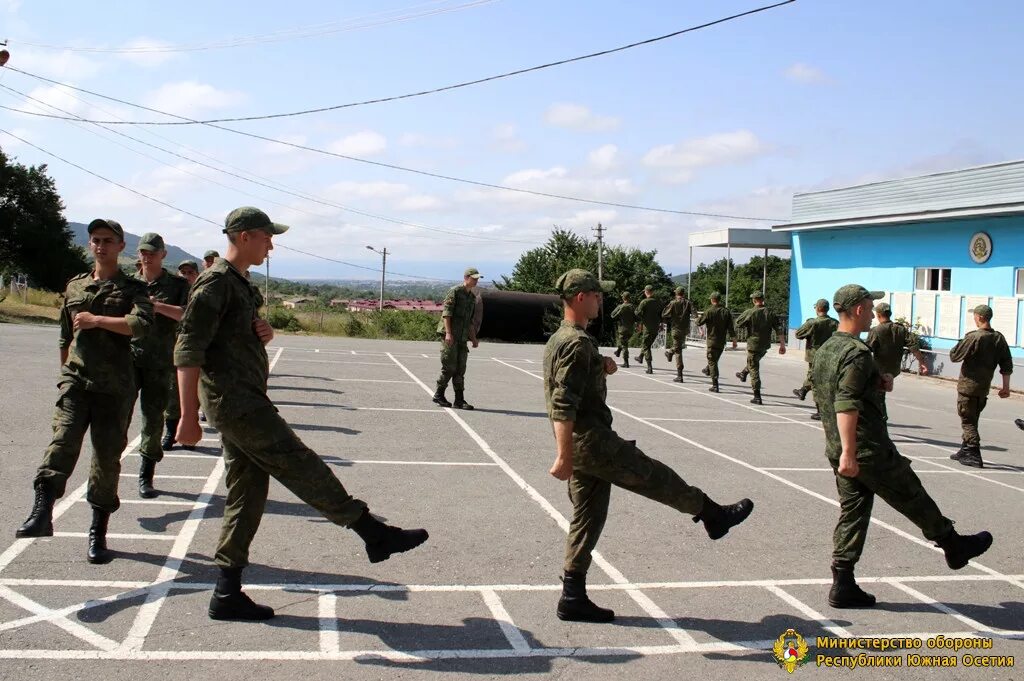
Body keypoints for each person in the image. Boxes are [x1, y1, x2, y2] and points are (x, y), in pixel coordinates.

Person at [174, 207, 428, 621]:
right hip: (235, 403)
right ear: (243, 236)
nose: (271, 246)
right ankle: (373, 532)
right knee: (299, 463)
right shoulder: (215, 282)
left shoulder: (238, 282)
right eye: (266, 237)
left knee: (246, 494)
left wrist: (263, 332)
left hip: (244, 397)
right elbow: (187, 349)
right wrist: (187, 416)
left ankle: (226, 592)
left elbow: (230, 335)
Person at [544, 269, 753, 623]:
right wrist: (563, 455)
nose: (600, 300)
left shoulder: (563, 339)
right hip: (593, 443)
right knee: (655, 477)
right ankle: (712, 515)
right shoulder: (577, 343)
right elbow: (563, 402)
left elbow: (568, 382)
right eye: (596, 295)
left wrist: (600, 365)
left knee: (587, 517)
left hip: (583, 444)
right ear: (580, 297)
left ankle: (572, 596)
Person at [812, 284, 993, 609]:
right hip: (865, 450)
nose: (872, 312)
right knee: (911, 493)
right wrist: (851, 452)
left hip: (838, 447)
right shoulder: (856, 352)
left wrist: (877, 382)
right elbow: (845, 402)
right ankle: (953, 545)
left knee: (854, 511)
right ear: (858, 310)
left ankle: (843, 582)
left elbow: (830, 388)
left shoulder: (828, 348)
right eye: (869, 306)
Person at [15, 219, 153, 565]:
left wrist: (98, 320)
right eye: (95, 240)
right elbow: (66, 335)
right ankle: (42, 512)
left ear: (121, 246)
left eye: (108, 240)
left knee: (106, 460)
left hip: (114, 388)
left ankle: (98, 533)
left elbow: (141, 325)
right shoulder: (75, 286)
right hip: (76, 381)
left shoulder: (133, 288)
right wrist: (64, 372)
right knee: (61, 442)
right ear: (90, 245)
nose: (101, 246)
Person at [132, 233, 190, 498]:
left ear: (163, 255)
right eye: (143, 253)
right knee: (116, 419)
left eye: (152, 253)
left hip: (160, 362)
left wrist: (158, 306)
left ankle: (146, 476)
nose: (147, 257)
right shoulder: (128, 283)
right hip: (128, 360)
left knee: (153, 419)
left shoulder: (177, 285)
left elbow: (188, 315)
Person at [948, 304, 1013, 468]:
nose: (974, 319)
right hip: (983, 387)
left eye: (975, 316)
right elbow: (1006, 364)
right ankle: (965, 449)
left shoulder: (974, 337)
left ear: (980, 317)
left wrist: (962, 342)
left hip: (968, 387)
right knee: (972, 418)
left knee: (967, 420)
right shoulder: (999, 338)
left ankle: (973, 452)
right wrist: (1006, 387)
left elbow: (954, 356)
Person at [431, 267, 482, 409]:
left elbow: (469, 322)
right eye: (474, 278)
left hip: (462, 338)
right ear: (466, 278)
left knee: (460, 369)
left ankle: (459, 400)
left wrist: (473, 339)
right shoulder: (455, 292)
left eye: (477, 278)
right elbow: (447, 314)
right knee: (449, 367)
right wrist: (448, 333)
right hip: (451, 336)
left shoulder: (472, 298)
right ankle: (439, 395)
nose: (476, 281)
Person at [734, 291, 785, 404]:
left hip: (753, 344)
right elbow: (779, 330)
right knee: (754, 362)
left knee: (754, 369)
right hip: (765, 345)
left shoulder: (750, 312)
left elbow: (738, 323)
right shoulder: (770, 313)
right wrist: (782, 345)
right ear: (762, 299)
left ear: (754, 300)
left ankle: (757, 396)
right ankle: (743, 373)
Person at [793, 298, 838, 420]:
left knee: (816, 382)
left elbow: (798, 334)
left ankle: (820, 411)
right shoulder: (835, 323)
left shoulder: (812, 323)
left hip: (814, 355)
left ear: (817, 308)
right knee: (815, 377)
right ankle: (803, 390)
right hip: (829, 356)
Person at [696, 291, 735, 392]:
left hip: (712, 340)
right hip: (721, 341)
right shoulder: (726, 311)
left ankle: (715, 385)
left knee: (712, 361)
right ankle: (708, 369)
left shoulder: (709, 311)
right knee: (714, 359)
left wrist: (697, 318)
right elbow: (731, 327)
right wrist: (734, 340)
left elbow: (699, 322)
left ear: (712, 300)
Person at [661, 287, 694, 383]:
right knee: (678, 347)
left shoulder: (673, 303)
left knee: (678, 350)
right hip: (685, 329)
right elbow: (695, 313)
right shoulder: (688, 303)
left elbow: (664, 314)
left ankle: (679, 375)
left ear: (676, 294)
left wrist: (671, 315)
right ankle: (670, 353)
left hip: (676, 329)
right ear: (683, 294)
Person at [634, 285, 661, 374]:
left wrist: (641, 316)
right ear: (652, 292)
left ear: (646, 292)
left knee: (646, 346)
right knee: (647, 344)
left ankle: (649, 367)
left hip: (648, 327)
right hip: (656, 327)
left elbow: (637, 313)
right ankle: (640, 357)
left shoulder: (644, 302)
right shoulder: (658, 302)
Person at [610, 292, 635, 369]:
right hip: (631, 329)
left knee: (624, 345)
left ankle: (626, 362)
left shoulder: (620, 307)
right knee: (625, 342)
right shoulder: (632, 307)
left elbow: (613, 316)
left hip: (622, 329)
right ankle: (618, 351)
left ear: (623, 298)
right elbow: (637, 317)